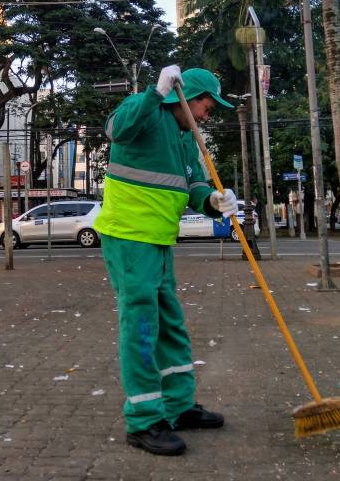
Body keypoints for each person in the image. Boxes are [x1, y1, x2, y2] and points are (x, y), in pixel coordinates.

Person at [95, 65, 236, 456]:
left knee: (170, 322)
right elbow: (116, 130)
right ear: (186, 98)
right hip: (127, 236)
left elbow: (193, 186)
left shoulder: (185, 138)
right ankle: (143, 421)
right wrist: (154, 93)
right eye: (207, 105)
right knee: (140, 325)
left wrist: (212, 201)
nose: (208, 114)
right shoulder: (144, 113)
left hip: (158, 240)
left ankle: (177, 406)